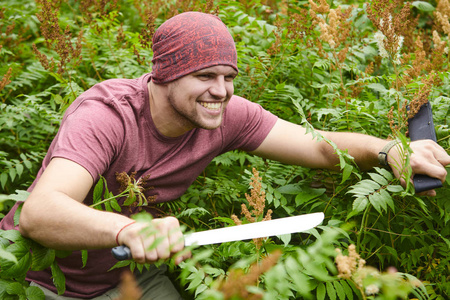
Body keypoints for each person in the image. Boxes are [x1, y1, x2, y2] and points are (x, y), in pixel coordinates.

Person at [1, 11, 449, 299]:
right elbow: (40, 213)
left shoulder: (224, 114)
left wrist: (390, 149)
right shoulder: (106, 115)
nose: (220, 91)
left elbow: (318, 146)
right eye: (205, 76)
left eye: (228, 76)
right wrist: (126, 228)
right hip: (39, 282)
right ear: (164, 75)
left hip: (129, 282)